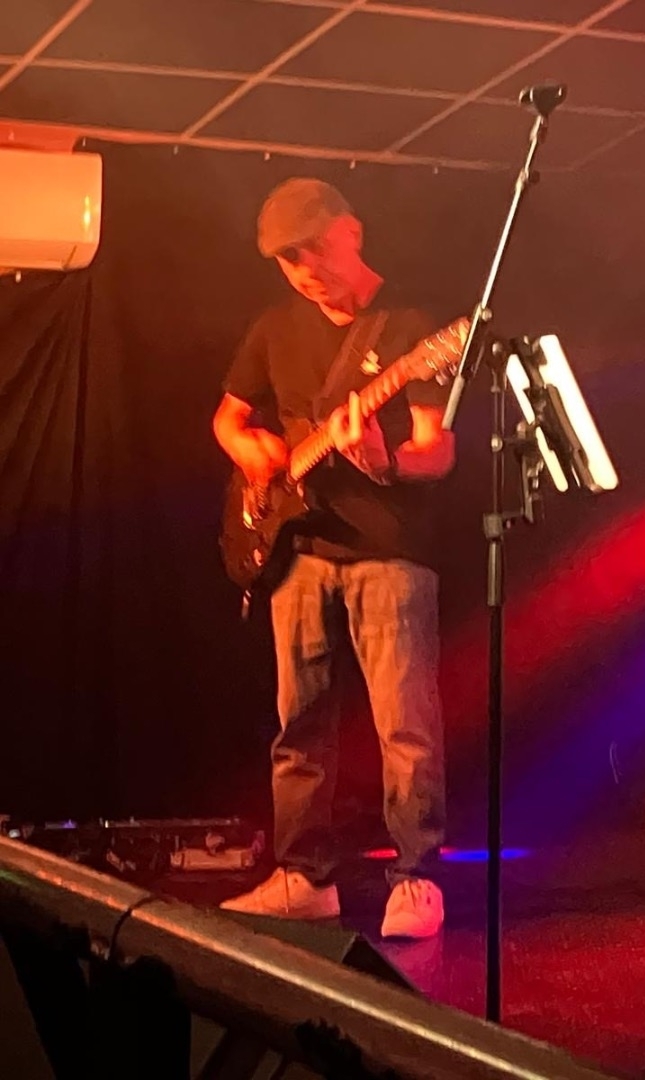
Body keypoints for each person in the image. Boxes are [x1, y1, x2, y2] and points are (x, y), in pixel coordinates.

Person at [213, 178, 455, 939]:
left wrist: (384, 462)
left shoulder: (413, 330)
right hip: (297, 549)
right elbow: (227, 419)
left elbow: (438, 450)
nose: (304, 271)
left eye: (312, 250)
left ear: (351, 232)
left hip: (388, 551)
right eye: (288, 261)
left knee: (405, 727)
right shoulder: (273, 328)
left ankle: (417, 879)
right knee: (300, 726)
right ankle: (303, 877)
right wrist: (251, 452)